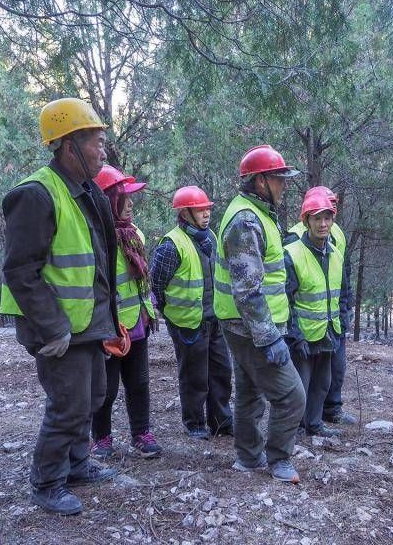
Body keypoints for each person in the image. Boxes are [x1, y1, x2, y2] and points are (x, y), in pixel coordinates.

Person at [0, 98, 119, 515]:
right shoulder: (35, 195)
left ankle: (77, 464)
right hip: (57, 326)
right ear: (69, 145)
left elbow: (100, 263)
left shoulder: (89, 192)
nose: (103, 151)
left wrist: (110, 322)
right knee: (68, 404)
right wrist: (53, 328)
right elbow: (19, 271)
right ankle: (47, 482)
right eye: (96, 142)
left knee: (94, 395)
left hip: (88, 321)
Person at [214, 144, 306, 483]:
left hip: (248, 325)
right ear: (261, 182)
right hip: (248, 327)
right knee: (292, 395)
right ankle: (279, 459)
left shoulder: (258, 214)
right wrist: (269, 338)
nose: (284, 184)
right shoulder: (245, 221)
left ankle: (248, 458)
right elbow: (247, 290)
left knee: (250, 391)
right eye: (279, 178)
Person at [89, 165, 162, 459]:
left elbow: (142, 281)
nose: (130, 204)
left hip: (138, 324)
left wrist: (149, 311)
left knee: (139, 382)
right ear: (108, 201)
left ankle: (141, 433)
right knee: (105, 388)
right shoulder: (96, 240)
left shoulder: (135, 235)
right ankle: (102, 438)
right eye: (124, 198)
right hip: (109, 328)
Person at [151, 186, 233, 440]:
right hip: (187, 323)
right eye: (200, 209)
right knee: (194, 376)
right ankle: (195, 423)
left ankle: (221, 422)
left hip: (214, 319)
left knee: (221, 372)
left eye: (207, 208)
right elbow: (157, 285)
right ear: (184, 213)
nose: (206, 213)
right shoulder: (171, 245)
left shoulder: (212, 238)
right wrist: (170, 312)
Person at [285, 186, 356, 425]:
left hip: (328, 331)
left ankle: (314, 426)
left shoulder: (335, 251)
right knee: (298, 388)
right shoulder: (292, 251)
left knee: (323, 383)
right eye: (317, 218)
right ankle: (291, 432)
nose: (323, 223)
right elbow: (286, 299)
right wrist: (295, 336)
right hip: (303, 334)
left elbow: (343, 290)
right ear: (307, 220)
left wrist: (342, 322)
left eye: (327, 217)